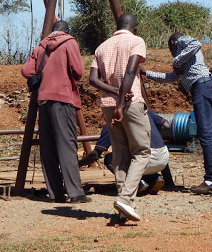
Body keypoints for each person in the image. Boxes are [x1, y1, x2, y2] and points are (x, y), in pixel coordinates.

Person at [21, 21, 91, 204]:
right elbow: (78, 71)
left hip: (43, 100)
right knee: (67, 144)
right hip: (63, 98)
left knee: (48, 147)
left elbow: (26, 70)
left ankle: (55, 193)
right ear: (66, 31)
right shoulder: (69, 42)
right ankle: (75, 192)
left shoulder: (41, 45)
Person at [89, 12, 150, 222]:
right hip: (130, 103)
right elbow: (131, 72)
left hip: (107, 104)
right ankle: (125, 199)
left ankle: (124, 207)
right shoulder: (136, 41)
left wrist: (114, 93)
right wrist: (122, 102)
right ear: (135, 27)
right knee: (141, 152)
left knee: (120, 155)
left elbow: (93, 80)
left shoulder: (101, 47)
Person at [141, 32, 212, 194]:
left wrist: (176, 59)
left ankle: (211, 179)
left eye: (171, 49)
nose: (172, 53)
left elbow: (196, 43)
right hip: (201, 88)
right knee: (203, 133)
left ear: (173, 43)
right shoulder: (184, 60)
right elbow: (170, 77)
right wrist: (146, 73)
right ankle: (211, 178)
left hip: (202, 87)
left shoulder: (182, 42)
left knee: (205, 134)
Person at [78, 110, 176, 194]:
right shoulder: (145, 112)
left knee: (110, 158)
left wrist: (78, 164)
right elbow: (167, 125)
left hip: (145, 159)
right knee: (138, 155)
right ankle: (155, 178)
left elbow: (95, 155)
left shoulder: (112, 123)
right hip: (163, 158)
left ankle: (137, 183)